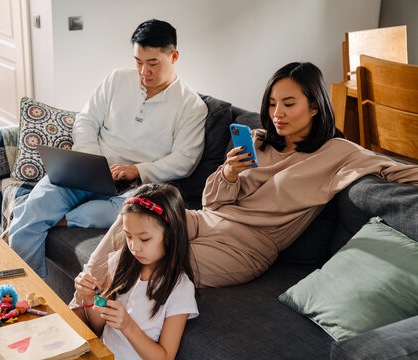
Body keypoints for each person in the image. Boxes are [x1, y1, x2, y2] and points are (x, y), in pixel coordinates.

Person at [71, 61, 418, 306]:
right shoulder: (258, 139)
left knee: (150, 259)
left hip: (244, 248)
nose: (277, 112)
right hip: (206, 220)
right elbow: (211, 204)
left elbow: (399, 170)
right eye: (272, 103)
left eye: (289, 103)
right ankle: (80, 299)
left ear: (315, 107)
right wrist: (228, 174)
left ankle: (98, 316)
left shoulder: (338, 153)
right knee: (138, 211)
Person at [9, 19, 208, 277]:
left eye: (153, 63)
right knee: (31, 213)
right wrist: (92, 157)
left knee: (119, 214)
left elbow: (186, 159)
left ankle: (61, 218)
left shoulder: (191, 106)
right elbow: (86, 119)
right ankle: (29, 298)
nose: (143, 71)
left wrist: (137, 170)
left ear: (174, 56)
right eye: (138, 62)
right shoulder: (116, 80)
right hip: (89, 173)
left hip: (135, 188)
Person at [74, 183, 198, 360]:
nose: (134, 247)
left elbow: (165, 357)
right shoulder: (119, 262)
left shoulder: (180, 288)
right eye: (128, 236)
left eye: (144, 239)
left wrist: (127, 326)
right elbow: (99, 327)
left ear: (171, 235)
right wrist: (88, 299)